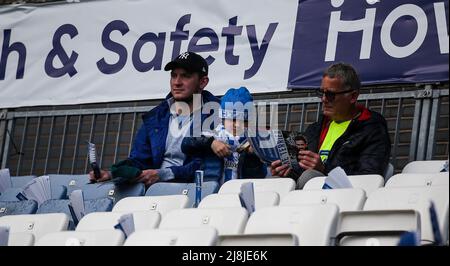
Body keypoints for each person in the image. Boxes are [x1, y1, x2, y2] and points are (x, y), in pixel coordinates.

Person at [89, 52, 219, 186]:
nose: (177, 82)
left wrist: (161, 174)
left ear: (203, 82)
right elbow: (140, 160)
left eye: (185, 76)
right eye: (173, 76)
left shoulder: (217, 114)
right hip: (153, 191)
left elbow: (205, 167)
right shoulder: (155, 117)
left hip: (193, 191)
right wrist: (111, 174)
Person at [271, 63, 391, 188]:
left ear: (353, 96)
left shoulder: (372, 128)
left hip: (346, 196)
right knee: (275, 180)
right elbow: (301, 173)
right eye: (321, 93)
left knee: (310, 176)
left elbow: (369, 176)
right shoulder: (315, 129)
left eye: (330, 94)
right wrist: (287, 173)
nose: (324, 99)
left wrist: (324, 169)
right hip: (311, 194)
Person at [181, 87, 267, 184]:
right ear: (223, 118)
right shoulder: (213, 134)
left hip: (240, 191)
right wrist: (211, 143)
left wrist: (252, 156)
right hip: (211, 190)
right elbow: (185, 144)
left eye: (244, 120)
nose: (237, 124)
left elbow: (260, 176)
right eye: (233, 119)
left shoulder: (254, 141)